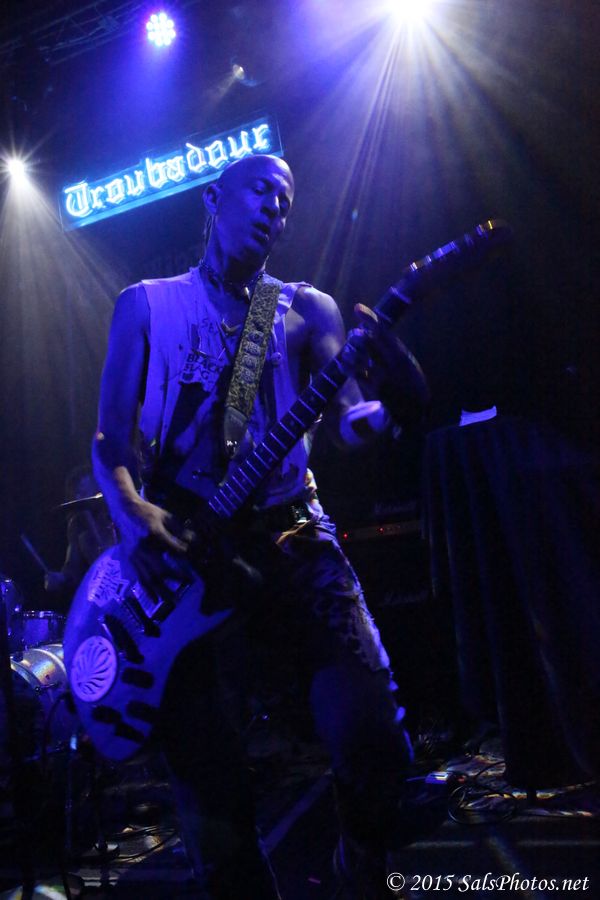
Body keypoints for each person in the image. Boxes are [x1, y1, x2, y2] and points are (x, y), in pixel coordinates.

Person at [91, 153, 429, 899]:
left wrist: (391, 403)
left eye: (288, 200)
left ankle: (360, 862)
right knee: (212, 801)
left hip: (292, 535)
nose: (278, 207)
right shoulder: (143, 306)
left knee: (373, 737)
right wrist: (131, 509)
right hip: (188, 556)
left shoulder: (307, 309)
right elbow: (110, 440)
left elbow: (350, 422)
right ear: (214, 199)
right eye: (263, 191)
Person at [44, 465, 116, 612]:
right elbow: (72, 566)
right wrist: (60, 578)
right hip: (102, 593)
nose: (78, 497)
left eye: (83, 492)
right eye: (76, 493)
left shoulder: (116, 512)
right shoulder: (77, 524)